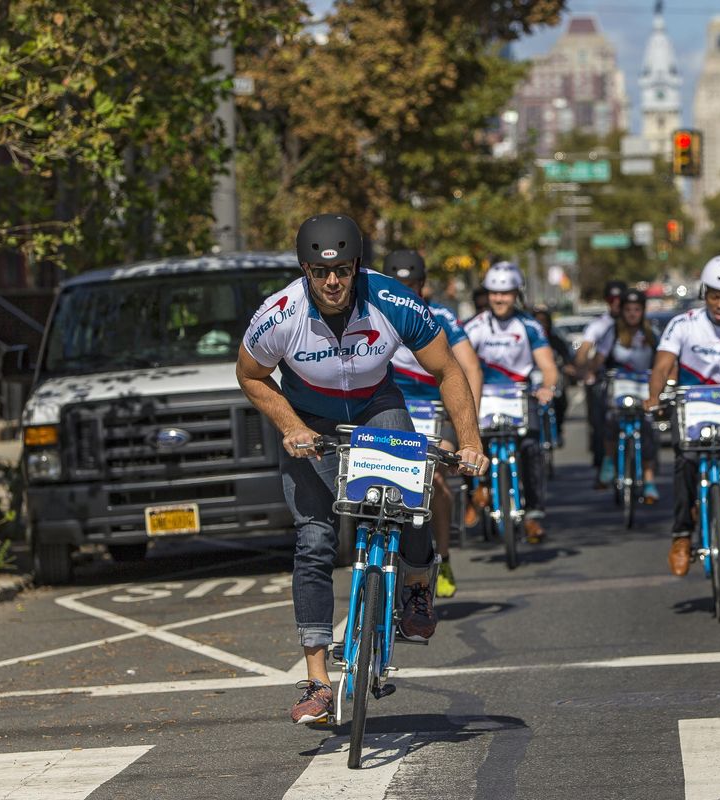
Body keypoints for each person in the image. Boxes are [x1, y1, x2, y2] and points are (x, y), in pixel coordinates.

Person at [235, 214, 489, 725]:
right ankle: (315, 681)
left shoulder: (393, 300)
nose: (333, 283)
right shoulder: (279, 314)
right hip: (309, 419)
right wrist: (289, 425)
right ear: (306, 271)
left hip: (377, 405)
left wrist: (470, 440)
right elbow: (250, 375)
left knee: (410, 506)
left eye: (344, 271)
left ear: (357, 267)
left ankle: (417, 585)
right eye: (320, 272)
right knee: (313, 540)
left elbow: (447, 369)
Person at [646, 256, 720, 576]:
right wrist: (654, 397)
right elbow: (661, 365)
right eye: (714, 295)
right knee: (685, 462)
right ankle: (682, 536)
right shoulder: (683, 324)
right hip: (691, 410)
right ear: (704, 293)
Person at [383, 249, 484, 599]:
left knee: (436, 478)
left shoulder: (441, 315)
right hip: (389, 408)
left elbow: (469, 368)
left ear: (423, 286)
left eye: (412, 286)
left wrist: (469, 426)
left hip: (433, 411)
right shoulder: (373, 314)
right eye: (399, 286)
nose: (405, 293)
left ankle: (442, 557)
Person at [463, 262, 559, 543]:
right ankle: (476, 491)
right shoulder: (475, 326)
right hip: (484, 398)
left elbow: (548, 366)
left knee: (532, 449)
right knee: (468, 441)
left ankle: (533, 516)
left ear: (517, 293)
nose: (500, 299)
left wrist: (547, 387)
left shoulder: (529, 326)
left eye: (506, 293)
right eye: (494, 293)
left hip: (520, 398)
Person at [593, 288, 660, 502]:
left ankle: (649, 482)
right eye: (628, 309)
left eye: (637, 309)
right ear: (621, 311)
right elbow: (599, 358)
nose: (632, 314)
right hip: (619, 387)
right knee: (611, 420)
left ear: (643, 311)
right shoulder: (611, 333)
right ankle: (609, 462)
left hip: (644, 388)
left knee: (648, 429)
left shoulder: (651, 334)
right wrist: (591, 371)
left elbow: (664, 360)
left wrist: (668, 380)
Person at [575, 280, 626, 483]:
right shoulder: (599, 325)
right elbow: (584, 352)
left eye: (620, 299)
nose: (616, 304)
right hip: (607, 380)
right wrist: (585, 370)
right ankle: (604, 462)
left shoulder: (637, 321)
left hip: (634, 380)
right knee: (601, 422)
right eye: (611, 300)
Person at [532, 305, 572, 444]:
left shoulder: (555, 340)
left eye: (544, 321)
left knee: (560, 400)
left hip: (551, 380)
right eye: (538, 321)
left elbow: (566, 359)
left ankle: (558, 430)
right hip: (532, 382)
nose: (541, 324)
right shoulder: (526, 339)